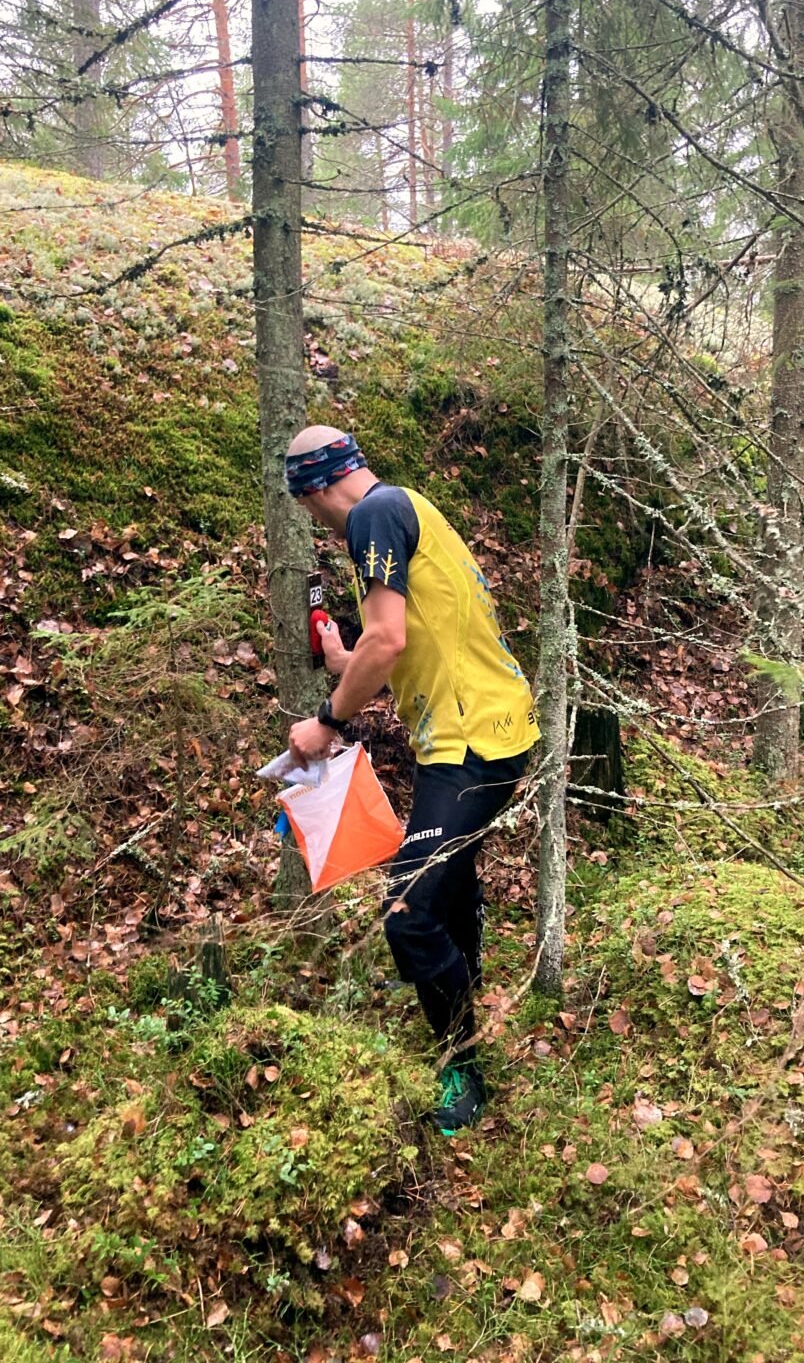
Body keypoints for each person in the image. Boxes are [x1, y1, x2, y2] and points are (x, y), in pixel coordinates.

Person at [285, 425, 539, 1132]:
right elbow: (405, 641)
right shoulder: (407, 507)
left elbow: (389, 639)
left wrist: (326, 720)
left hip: (471, 743)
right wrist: (346, 660)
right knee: (446, 889)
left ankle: (464, 1066)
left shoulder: (373, 515)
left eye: (307, 506)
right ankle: (463, 986)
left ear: (315, 490)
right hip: (482, 731)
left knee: (409, 912)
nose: (315, 519)